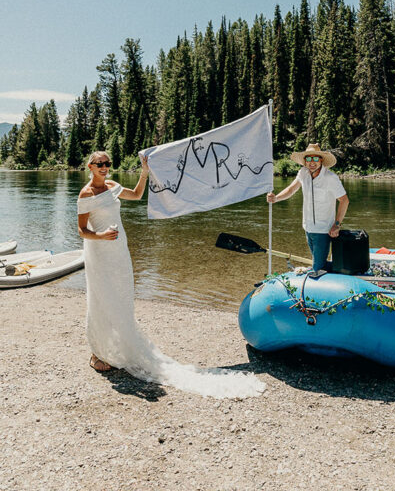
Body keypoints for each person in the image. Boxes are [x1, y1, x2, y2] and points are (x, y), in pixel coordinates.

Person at [77, 151, 264, 397]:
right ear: (90, 166)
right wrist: (100, 236)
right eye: (99, 164)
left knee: (121, 297)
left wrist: (144, 173)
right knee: (102, 298)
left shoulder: (112, 186)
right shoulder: (86, 194)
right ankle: (97, 352)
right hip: (99, 251)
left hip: (119, 249)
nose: (104, 167)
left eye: (107, 163)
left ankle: (117, 346)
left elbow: (136, 195)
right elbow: (81, 230)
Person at [267, 143, 349, 272]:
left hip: (323, 230)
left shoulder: (330, 178)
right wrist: (276, 198)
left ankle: (331, 275)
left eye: (315, 158)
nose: (312, 162)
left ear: (321, 160)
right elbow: (291, 189)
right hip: (308, 227)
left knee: (318, 267)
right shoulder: (303, 173)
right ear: (304, 161)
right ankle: (333, 271)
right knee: (318, 262)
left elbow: (344, 200)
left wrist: (337, 224)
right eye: (308, 159)